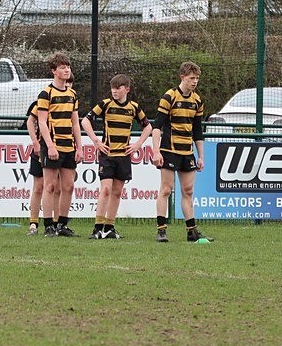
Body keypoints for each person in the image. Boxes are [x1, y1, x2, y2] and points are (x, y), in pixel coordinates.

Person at [80, 74, 152, 239]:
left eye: (118, 88)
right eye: (112, 88)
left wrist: (137, 144)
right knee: (105, 190)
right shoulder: (105, 104)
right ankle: (97, 228)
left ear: (126, 89)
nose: (114, 91)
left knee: (117, 192)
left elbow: (148, 127)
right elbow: (85, 121)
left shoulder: (133, 107)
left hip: (124, 157)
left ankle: (110, 227)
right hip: (108, 155)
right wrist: (96, 141)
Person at [151, 61, 209, 243]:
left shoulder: (197, 100)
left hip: (187, 151)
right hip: (169, 149)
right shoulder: (169, 96)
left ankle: (191, 231)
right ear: (182, 77)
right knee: (166, 189)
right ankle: (161, 230)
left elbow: (198, 131)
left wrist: (201, 156)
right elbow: (157, 126)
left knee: (188, 190)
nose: (195, 82)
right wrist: (156, 151)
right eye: (192, 78)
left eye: (197, 78)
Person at [37, 54, 81, 237]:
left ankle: (62, 224)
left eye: (68, 66)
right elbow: (41, 122)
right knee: (50, 186)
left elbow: (75, 122)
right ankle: (48, 225)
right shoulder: (46, 94)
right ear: (54, 71)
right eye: (62, 67)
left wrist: (79, 146)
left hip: (68, 146)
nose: (66, 70)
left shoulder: (72, 94)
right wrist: (50, 146)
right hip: (52, 145)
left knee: (69, 186)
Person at [23, 98, 44, 236]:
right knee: (38, 187)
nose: (68, 86)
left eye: (70, 84)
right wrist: (36, 144)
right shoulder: (45, 99)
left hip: (62, 150)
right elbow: (30, 121)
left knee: (57, 188)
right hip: (42, 150)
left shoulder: (71, 101)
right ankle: (33, 223)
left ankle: (56, 224)